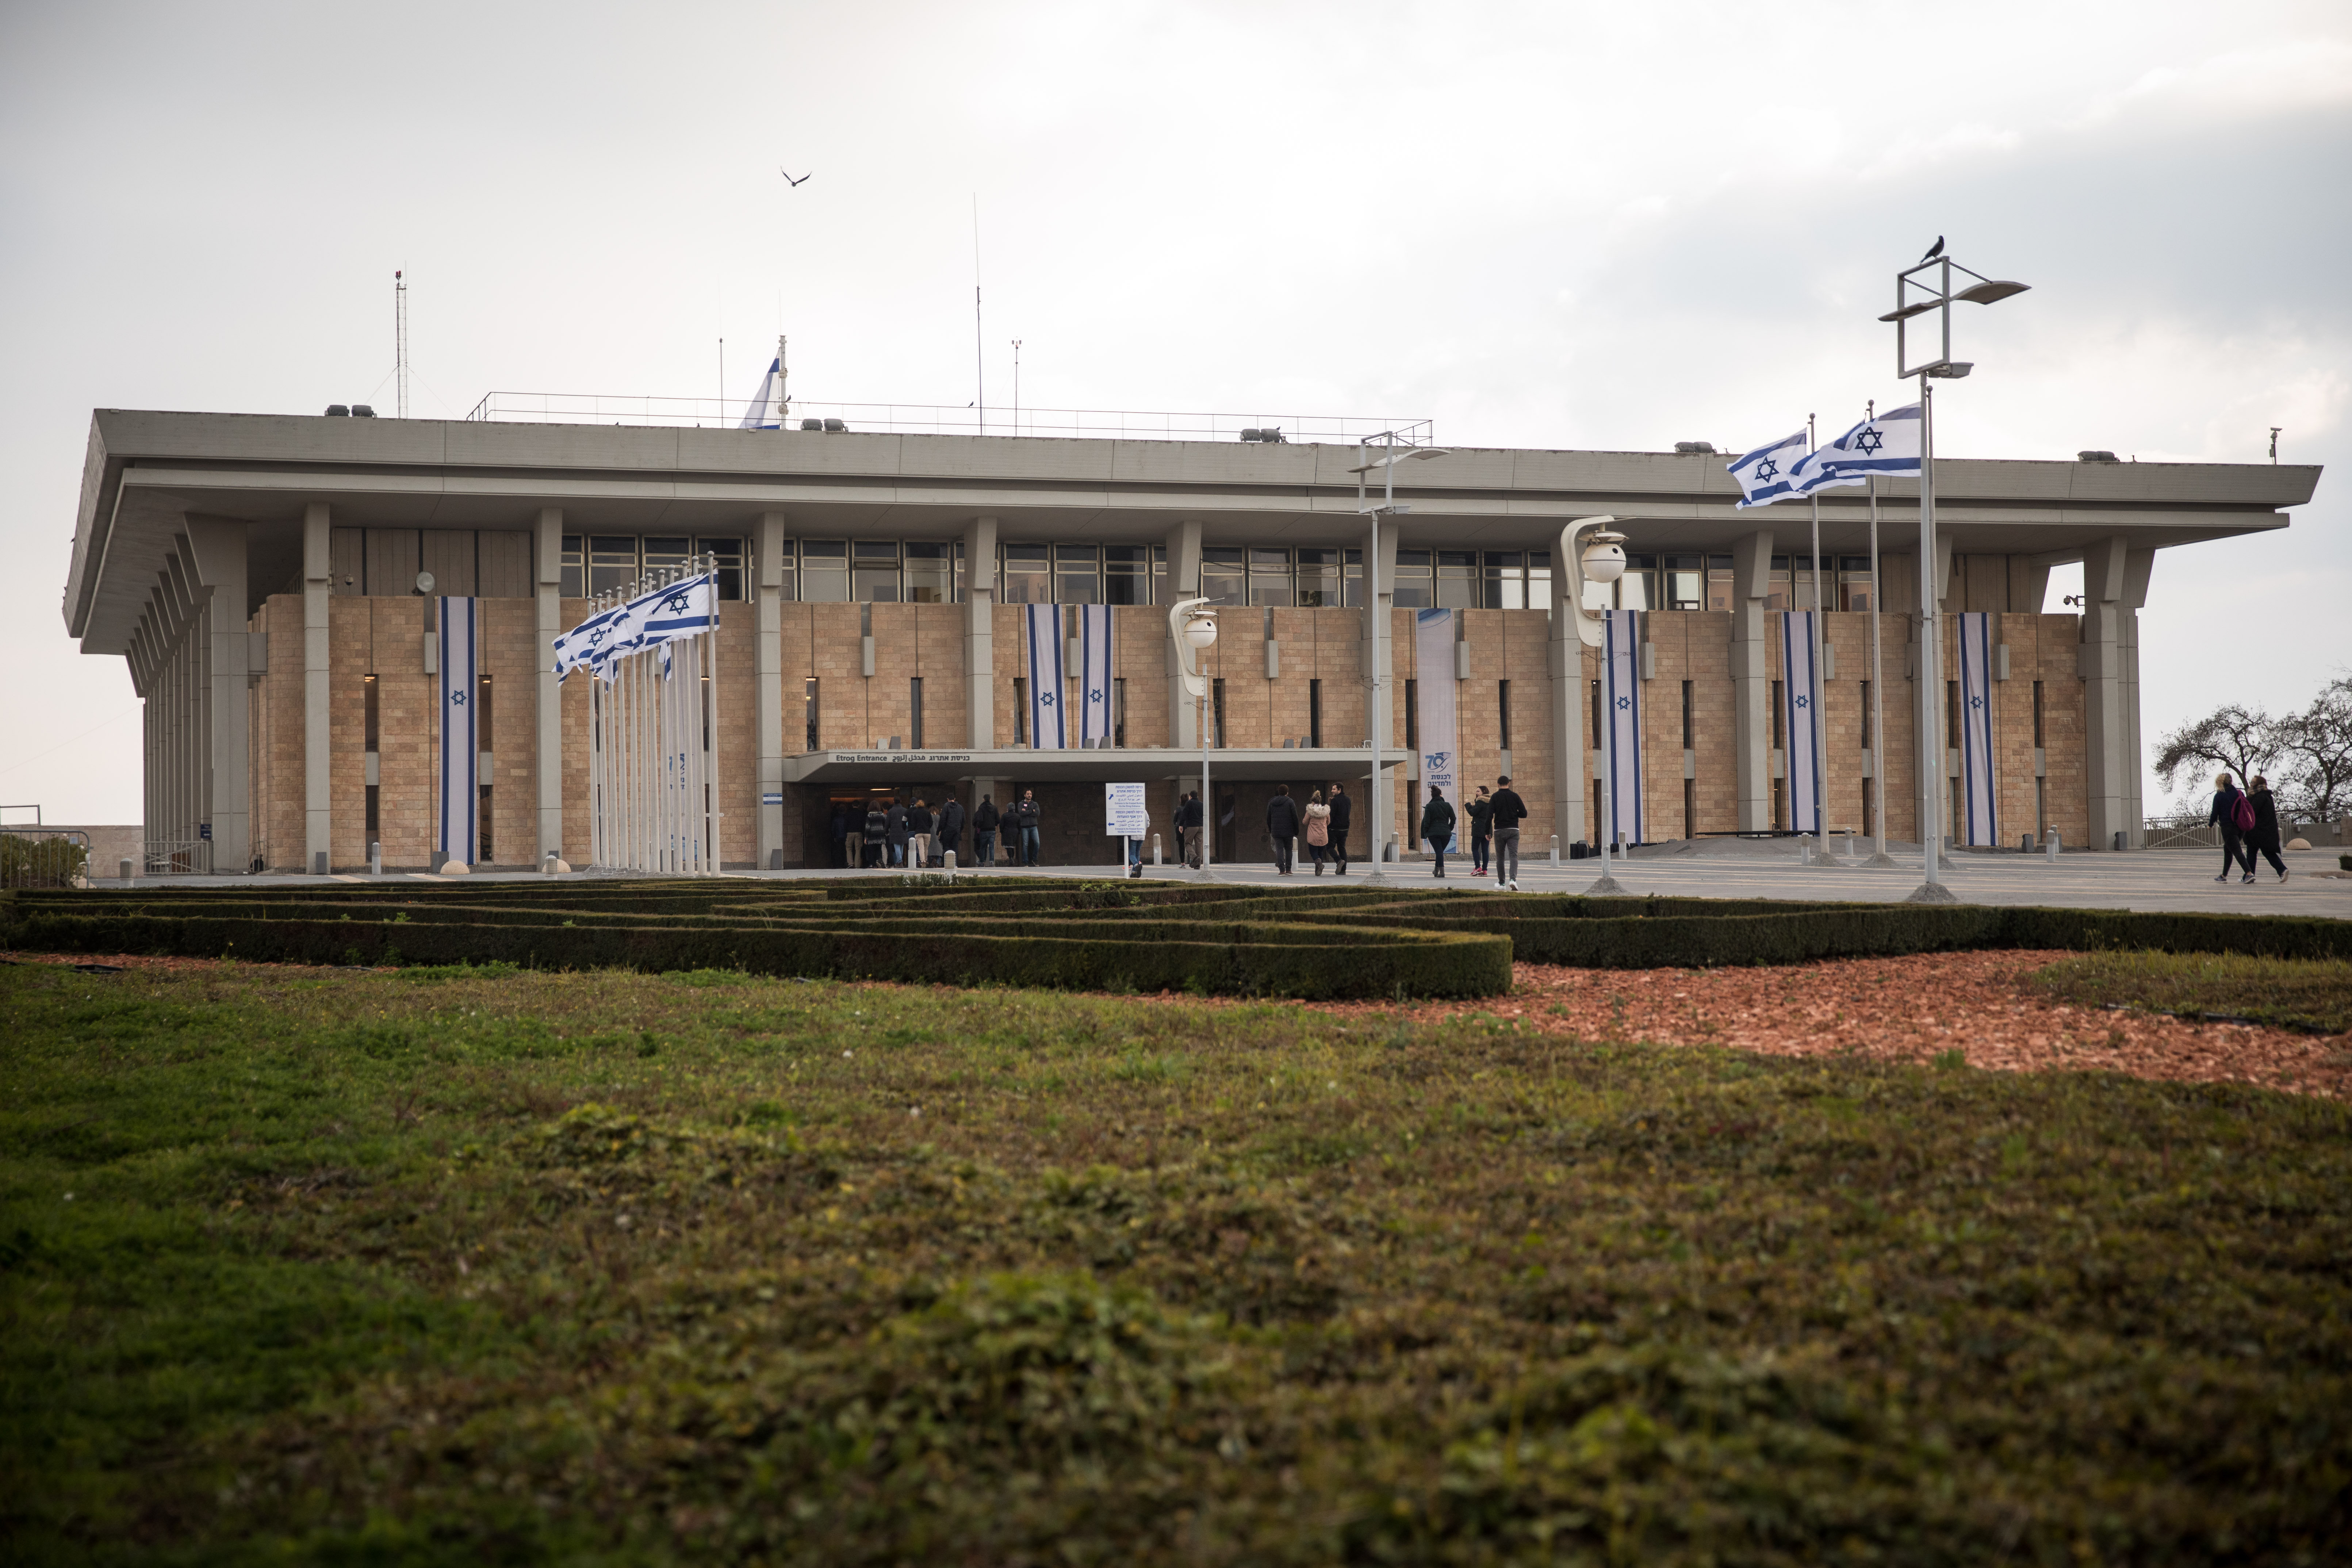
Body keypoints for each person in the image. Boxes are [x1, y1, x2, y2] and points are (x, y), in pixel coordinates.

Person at [2207, 772, 2254, 883]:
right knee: (2228, 850)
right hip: (2240, 827)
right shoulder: (2239, 793)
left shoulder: (2219, 796)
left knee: (2237, 851)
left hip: (2228, 827)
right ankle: (2223, 876)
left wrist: (2210, 824)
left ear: (2220, 782)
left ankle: (2249, 874)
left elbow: (2215, 813)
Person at [2245, 774, 2289, 883]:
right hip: (2266, 830)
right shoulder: (2267, 796)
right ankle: (2282, 870)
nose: (2251, 784)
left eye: (2253, 782)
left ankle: (2250, 875)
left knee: (2252, 852)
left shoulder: (2259, 797)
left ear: (2258, 785)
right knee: (2266, 852)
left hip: (2258, 830)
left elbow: (2252, 812)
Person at [1490, 775, 1528, 891]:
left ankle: (1502, 883)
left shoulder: (1495, 797)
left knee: (1500, 858)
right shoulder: (1515, 796)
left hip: (1499, 830)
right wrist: (1513, 813)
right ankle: (1513, 880)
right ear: (1509, 784)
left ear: (1498, 785)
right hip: (1513, 829)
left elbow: (1489, 816)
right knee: (1513, 856)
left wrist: (1489, 832)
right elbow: (1524, 814)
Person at [1420, 787, 1455, 877]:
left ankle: (1442, 872)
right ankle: (1436, 871)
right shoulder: (1447, 805)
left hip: (1433, 834)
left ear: (1432, 796)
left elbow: (1426, 821)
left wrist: (1426, 832)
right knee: (1440, 851)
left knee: (1439, 852)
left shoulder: (1429, 806)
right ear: (1441, 795)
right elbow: (1453, 818)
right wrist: (1450, 828)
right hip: (1446, 833)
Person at [1266, 784, 1301, 874]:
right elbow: (1295, 817)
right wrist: (1296, 830)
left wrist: (1271, 829)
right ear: (1287, 793)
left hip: (1276, 831)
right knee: (1289, 849)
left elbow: (1268, 818)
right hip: (1289, 831)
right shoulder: (1290, 802)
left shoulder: (1271, 802)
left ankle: (1282, 870)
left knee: (1279, 849)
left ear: (1279, 792)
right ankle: (1289, 870)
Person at [1302, 789, 1332, 875]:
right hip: (1323, 835)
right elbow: (1328, 822)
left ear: (1313, 802)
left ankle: (1319, 863)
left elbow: (1305, 822)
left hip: (1313, 836)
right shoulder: (1326, 812)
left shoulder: (1310, 811)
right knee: (1320, 853)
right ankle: (1318, 871)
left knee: (1313, 852)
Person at [1467, 785, 1495, 875]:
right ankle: (1485, 870)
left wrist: (1468, 804)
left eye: (1478, 791)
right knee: (1485, 850)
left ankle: (1478, 868)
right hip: (1488, 828)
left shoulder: (1480, 802)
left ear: (1483, 792)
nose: (1477, 793)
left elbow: (1472, 812)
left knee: (1475, 848)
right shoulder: (1491, 802)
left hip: (1479, 828)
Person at [1013, 790, 1043, 866]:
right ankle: (1025, 862)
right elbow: (1021, 813)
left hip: (1034, 827)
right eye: (1028, 794)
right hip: (1025, 827)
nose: (1029, 795)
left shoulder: (1035, 804)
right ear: (1025, 795)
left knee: (1037, 843)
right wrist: (1032, 811)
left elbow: (1038, 813)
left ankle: (1035, 859)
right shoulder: (1021, 804)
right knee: (1025, 844)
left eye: (1030, 794)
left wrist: (1027, 811)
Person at [1328, 782, 1352, 874]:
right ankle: (1343, 870)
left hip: (1334, 829)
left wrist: (1328, 826)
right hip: (1345, 828)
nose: (1332, 791)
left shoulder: (1335, 801)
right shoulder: (1348, 800)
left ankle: (1338, 861)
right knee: (1342, 848)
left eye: (1334, 789)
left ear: (1339, 790)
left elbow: (1332, 815)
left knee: (1329, 847)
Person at [1176, 791, 1204, 868]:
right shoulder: (1202, 804)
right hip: (1201, 826)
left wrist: (1181, 825)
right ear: (1197, 797)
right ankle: (1198, 865)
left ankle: (1195, 858)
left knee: (1187, 843)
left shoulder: (1189, 803)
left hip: (1192, 826)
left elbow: (1185, 814)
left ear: (1190, 797)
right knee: (1199, 845)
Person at [904, 797, 934, 870]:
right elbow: (931, 823)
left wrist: (916, 828)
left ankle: (922, 861)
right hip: (927, 832)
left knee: (921, 848)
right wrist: (927, 827)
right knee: (926, 848)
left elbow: (913, 823)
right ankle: (926, 860)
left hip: (918, 832)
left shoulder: (915, 812)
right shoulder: (927, 812)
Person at [972, 794, 1000, 869]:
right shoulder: (995, 808)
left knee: (983, 847)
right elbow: (998, 820)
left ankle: (982, 862)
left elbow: (980, 819)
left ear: (983, 799)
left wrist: (980, 826)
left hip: (984, 830)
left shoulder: (981, 808)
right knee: (991, 847)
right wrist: (995, 824)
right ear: (990, 799)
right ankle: (991, 862)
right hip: (992, 830)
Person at [937, 795, 965, 867]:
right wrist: (960, 829)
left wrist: (940, 830)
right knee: (955, 847)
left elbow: (943, 819)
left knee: (947, 846)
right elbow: (963, 820)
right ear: (955, 799)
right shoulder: (960, 807)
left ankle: (948, 863)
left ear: (948, 799)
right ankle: (955, 863)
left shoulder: (946, 806)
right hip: (957, 830)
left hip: (947, 830)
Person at [861, 800, 888, 869]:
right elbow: (885, 826)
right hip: (880, 836)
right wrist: (886, 834)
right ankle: (879, 863)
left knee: (871, 850)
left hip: (872, 836)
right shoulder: (882, 815)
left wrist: (866, 838)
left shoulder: (869, 816)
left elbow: (868, 827)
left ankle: (871, 864)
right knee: (879, 850)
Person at [884, 797, 911, 868]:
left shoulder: (891, 811)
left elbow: (887, 823)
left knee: (897, 847)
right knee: (901, 847)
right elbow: (907, 821)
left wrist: (886, 831)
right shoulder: (905, 811)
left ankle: (899, 862)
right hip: (903, 831)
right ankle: (899, 862)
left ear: (894, 802)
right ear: (901, 801)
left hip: (894, 832)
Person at [837, 802, 859, 870]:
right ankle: (858, 865)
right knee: (858, 849)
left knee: (848, 849)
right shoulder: (860, 813)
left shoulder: (848, 814)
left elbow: (845, 825)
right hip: (858, 833)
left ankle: (850, 864)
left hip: (848, 834)